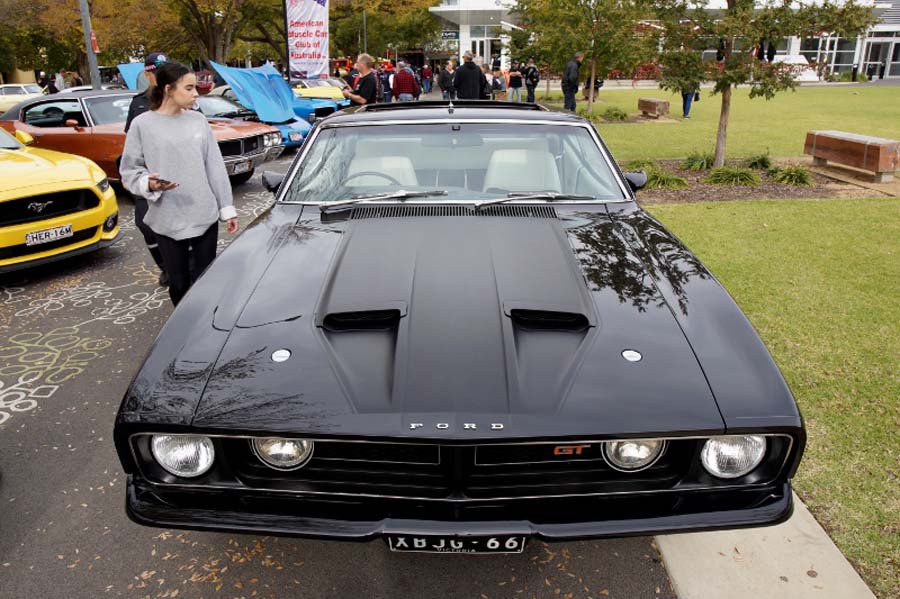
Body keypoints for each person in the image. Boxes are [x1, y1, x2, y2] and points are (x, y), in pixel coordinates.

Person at [120, 61, 239, 306]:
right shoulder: (142, 124)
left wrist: (226, 208)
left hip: (203, 214)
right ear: (168, 89)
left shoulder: (198, 121)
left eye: (195, 87)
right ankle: (183, 333)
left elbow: (214, 166)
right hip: (167, 216)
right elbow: (129, 170)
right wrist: (148, 184)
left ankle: (206, 329)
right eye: (189, 88)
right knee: (179, 283)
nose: (196, 93)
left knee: (205, 281)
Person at [125, 52, 170, 286]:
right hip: (147, 175)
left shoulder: (179, 99)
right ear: (148, 73)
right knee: (145, 223)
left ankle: (186, 267)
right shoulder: (139, 103)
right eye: (156, 71)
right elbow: (131, 142)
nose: (161, 75)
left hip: (174, 173)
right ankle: (165, 266)